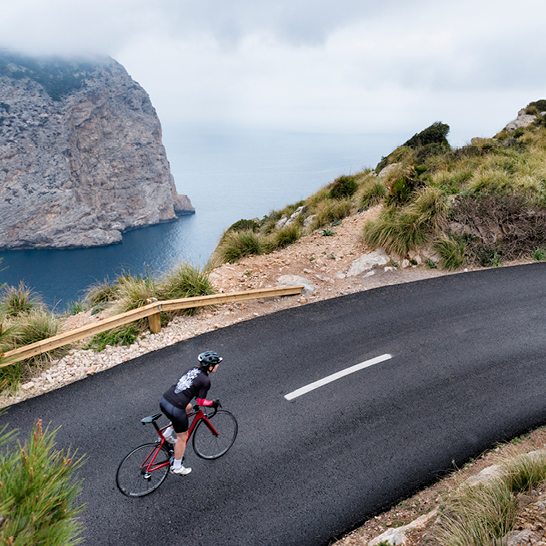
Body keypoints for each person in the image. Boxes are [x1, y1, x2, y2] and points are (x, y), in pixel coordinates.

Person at [159, 351, 223, 475]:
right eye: (216, 364)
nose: (218, 366)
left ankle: (167, 434)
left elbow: (188, 386)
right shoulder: (205, 381)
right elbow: (201, 402)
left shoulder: (192, 369)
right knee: (183, 437)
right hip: (175, 409)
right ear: (210, 367)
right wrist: (213, 403)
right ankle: (177, 466)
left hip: (165, 400)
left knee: (187, 407)